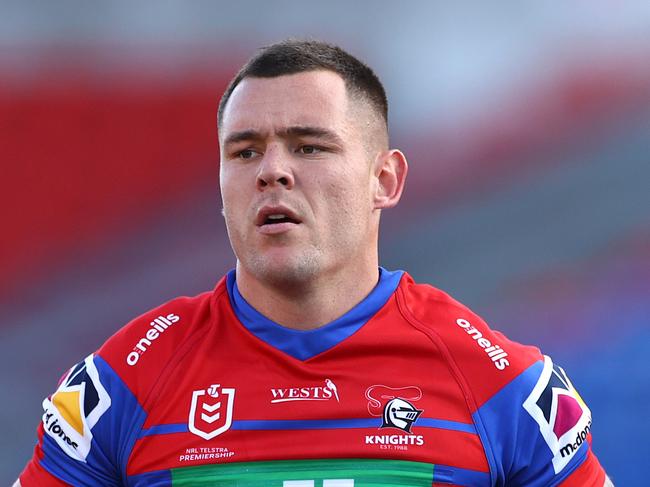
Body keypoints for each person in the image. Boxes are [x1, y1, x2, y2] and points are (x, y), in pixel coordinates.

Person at [16, 39, 612, 486]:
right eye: (244, 151)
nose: (271, 171)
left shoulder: (498, 386)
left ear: (385, 179)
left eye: (309, 146)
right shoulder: (129, 380)